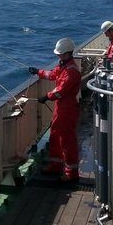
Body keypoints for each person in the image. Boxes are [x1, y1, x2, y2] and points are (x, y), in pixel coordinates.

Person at [27, 38, 81, 182]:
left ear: (68, 53)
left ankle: (71, 173)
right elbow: (52, 74)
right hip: (61, 106)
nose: (58, 56)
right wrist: (38, 71)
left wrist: (46, 96)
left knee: (67, 139)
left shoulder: (71, 72)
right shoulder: (63, 66)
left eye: (60, 54)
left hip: (67, 108)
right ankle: (56, 164)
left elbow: (61, 91)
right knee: (55, 135)